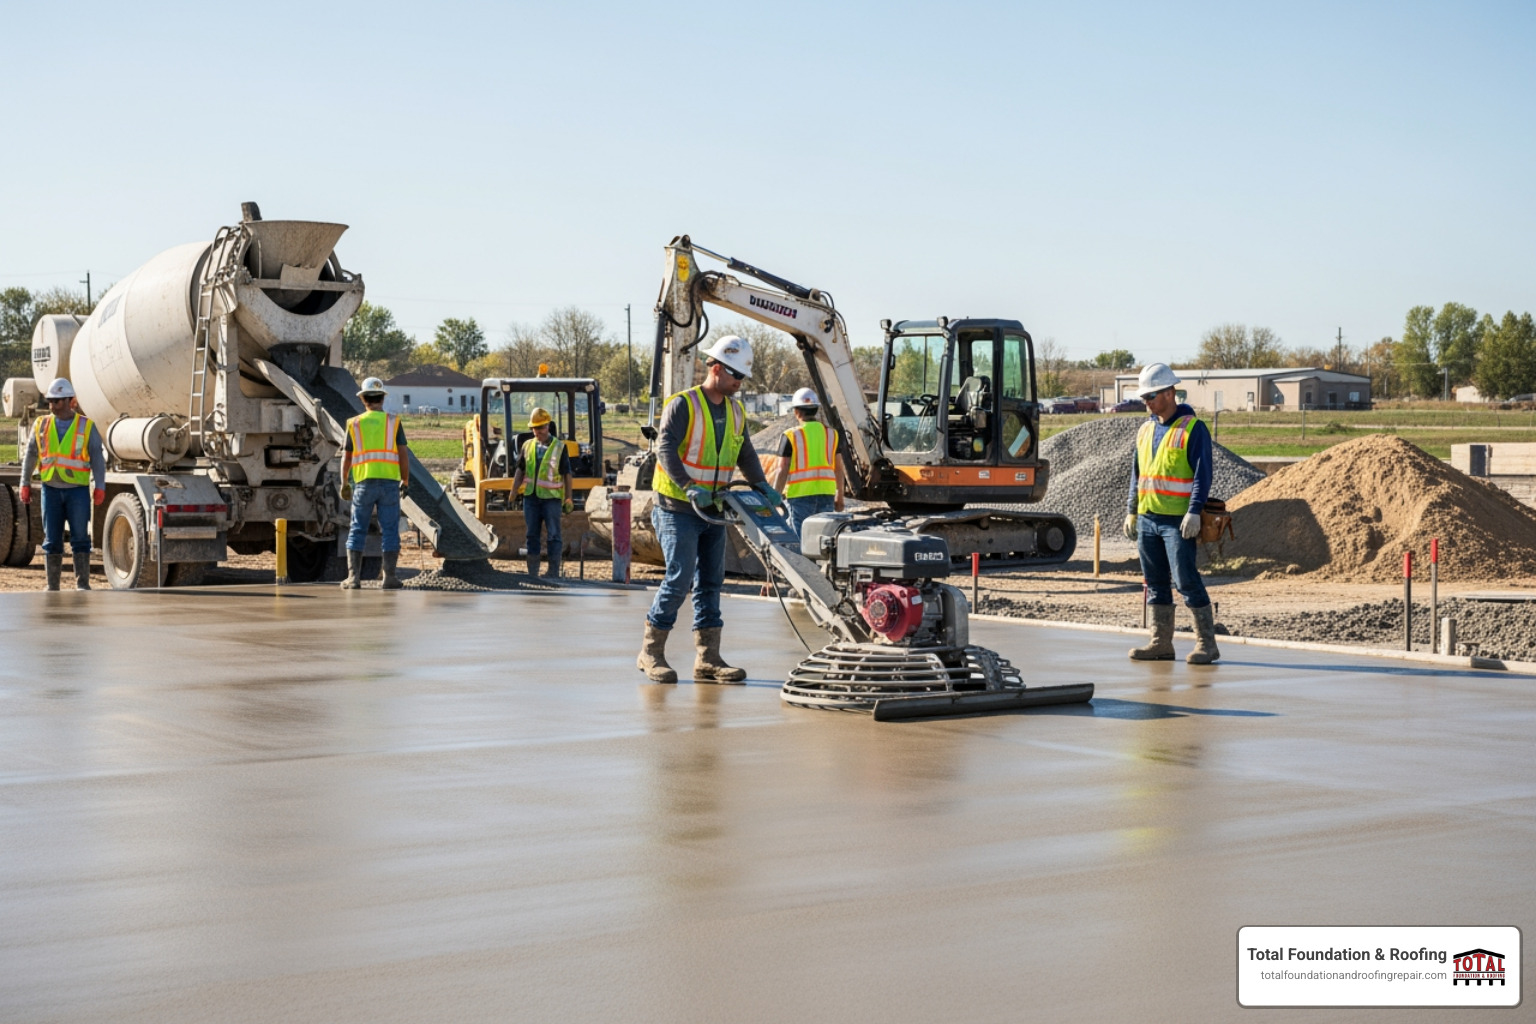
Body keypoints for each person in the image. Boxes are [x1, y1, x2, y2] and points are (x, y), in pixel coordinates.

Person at [637, 334, 779, 685]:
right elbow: (665, 449)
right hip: (678, 506)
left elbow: (745, 452)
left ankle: (708, 658)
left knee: (712, 580)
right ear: (716, 368)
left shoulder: (735, 409)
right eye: (736, 375)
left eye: (743, 377)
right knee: (680, 576)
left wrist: (762, 486)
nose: (740, 382)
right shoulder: (684, 404)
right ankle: (651, 652)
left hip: (714, 508)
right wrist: (689, 486)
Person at [1122, 362, 1219, 664]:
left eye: (1151, 396)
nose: (1147, 403)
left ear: (1170, 392)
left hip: (1177, 522)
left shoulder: (1192, 428)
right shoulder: (1145, 429)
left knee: (1185, 579)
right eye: (1144, 398)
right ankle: (1160, 642)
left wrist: (1194, 511)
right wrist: (1132, 511)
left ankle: (1207, 644)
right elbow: (1137, 474)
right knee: (1155, 582)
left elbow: (1203, 474)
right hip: (1149, 518)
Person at [19, 378, 105, 591]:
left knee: (80, 538)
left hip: (77, 491)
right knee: (52, 540)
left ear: (70, 401)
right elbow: (31, 454)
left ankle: (82, 584)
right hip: (51, 490)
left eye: (57, 401)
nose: (52, 405)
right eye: (50, 401)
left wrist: (101, 486)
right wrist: (25, 482)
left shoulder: (86, 426)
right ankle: (52, 586)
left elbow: (97, 457)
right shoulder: (41, 425)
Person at [339, 377, 409, 590]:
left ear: (363, 400)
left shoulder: (354, 424)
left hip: (363, 483)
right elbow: (403, 455)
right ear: (382, 399)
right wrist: (405, 480)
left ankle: (353, 578)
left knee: (357, 528)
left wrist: (344, 483)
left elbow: (347, 457)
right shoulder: (393, 422)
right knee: (389, 530)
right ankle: (390, 578)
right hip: (389, 484)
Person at [770, 386, 847, 538]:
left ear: (796, 411)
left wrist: (774, 498)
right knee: (821, 542)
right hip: (826, 495)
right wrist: (840, 495)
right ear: (816, 410)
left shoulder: (791, 435)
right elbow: (839, 468)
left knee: (800, 542)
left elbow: (782, 469)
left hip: (799, 497)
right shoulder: (832, 434)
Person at [510, 406, 573, 578]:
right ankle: (533, 573)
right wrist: (513, 491)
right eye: (535, 428)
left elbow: (567, 474)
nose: (538, 431)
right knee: (532, 534)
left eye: (541, 427)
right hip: (531, 497)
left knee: (554, 534)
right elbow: (520, 470)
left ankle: (553, 572)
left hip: (551, 499)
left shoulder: (559, 447)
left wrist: (568, 498)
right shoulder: (527, 445)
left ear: (548, 426)